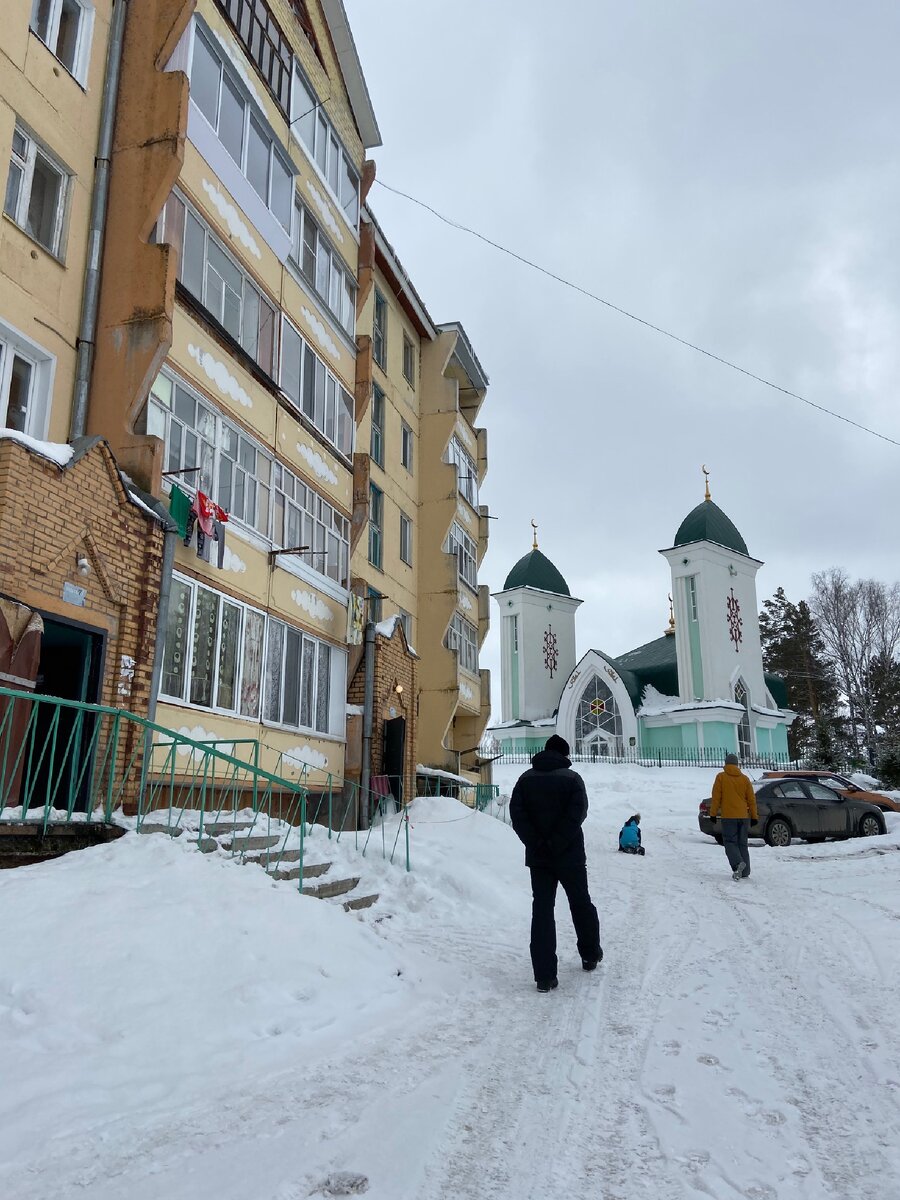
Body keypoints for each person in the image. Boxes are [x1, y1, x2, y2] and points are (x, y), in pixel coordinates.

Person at [509, 734, 603, 992]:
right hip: (570, 855)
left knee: (542, 911)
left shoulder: (525, 779)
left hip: (539, 858)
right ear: (564, 755)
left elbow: (517, 815)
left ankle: (544, 976)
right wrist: (558, 842)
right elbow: (577, 813)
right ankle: (590, 953)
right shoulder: (572, 779)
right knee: (580, 902)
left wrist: (536, 842)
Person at [709, 752, 758, 880]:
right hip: (743, 816)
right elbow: (751, 799)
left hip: (728, 816)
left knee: (730, 842)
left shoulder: (721, 777)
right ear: (737, 764)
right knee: (742, 843)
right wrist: (754, 816)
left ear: (726, 764)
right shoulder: (745, 779)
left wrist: (713, 814)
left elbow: (716, 798)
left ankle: (737, 864)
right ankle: (745, 871)